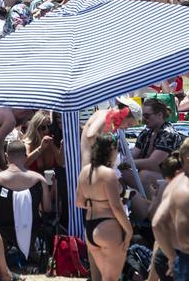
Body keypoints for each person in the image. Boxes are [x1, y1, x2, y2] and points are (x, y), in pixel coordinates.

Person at [0, 140, 51, 261]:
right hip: (33, 225)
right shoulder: (39, 179)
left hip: (3, 226)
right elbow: (47, 209)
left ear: (6, 156)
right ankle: (31, 249)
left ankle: (2, 250)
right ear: (25, 156)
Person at [76, 134, 133, 281]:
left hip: (90, 228)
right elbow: (116, 207)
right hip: (108, 227)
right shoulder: (108, 174)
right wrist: (129, 230)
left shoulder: (84, 171)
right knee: (110, 279)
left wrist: (96, 202)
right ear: (111, 150)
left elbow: (79, 202)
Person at [124, 97, 184, 194]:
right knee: (123, 173)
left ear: (160, 115)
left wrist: (127, 163)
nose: (144, 120)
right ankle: (126, 198)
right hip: (150, 176)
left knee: (144, 174)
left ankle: (150, 204)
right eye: (143, 116)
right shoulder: (146, 132)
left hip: (172, 178)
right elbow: (133, 154)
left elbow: (152, 163)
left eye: (147, 116)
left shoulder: (169, 134)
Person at [152, 138, 189, 280]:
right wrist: (173, 258)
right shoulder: (184, 188)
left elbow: (157, 223)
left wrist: (172, 257)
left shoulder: (174, 184)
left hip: (179, 257)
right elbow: (157, 224)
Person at [80, 97, 142, 166]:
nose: (127, 128)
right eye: (129, 124)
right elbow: (91, 135)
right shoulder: (105, 115)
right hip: (91, 170)